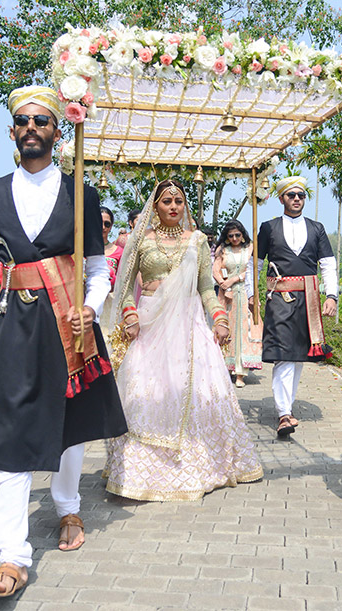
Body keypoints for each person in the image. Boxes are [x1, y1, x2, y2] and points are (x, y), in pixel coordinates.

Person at [0, 86, 127, 597]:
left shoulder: (82, 194)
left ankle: (68, 508)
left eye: (42, 121)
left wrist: (91, 305)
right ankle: (12, 556)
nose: (31, 128)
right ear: (12, 131)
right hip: (15, 325)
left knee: (71, 422)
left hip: (70, 322)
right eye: (23, 121)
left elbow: (97, 268)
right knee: (12, 433)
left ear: (56, 131)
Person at [103, 179, 263, 501]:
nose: (173, 206)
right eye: (167, 201)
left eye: (178, 201)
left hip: (189, 323)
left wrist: (219, 318)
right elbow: (125, 288)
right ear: (155, 206)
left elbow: (205, 287)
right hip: (150, 323)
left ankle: (199, 467)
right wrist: (131, 316)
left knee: (196, 392)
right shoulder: (140, 240)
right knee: (145, 392)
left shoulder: (197, 240)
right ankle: (138, 473)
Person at [257, 176, 338, 437]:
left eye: (301, 195)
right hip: (279, 298)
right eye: (291, 195)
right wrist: (250, 295)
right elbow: (255, 264)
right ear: (281, 198)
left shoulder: (317, 228)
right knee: (284, 353)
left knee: (298, 355)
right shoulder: (268, 228)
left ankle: (287, 407)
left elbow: (328, 264)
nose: (296, 199)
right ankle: (283, 413)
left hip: (309, 299)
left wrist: (332, 296)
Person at [212, 220, 262, 387]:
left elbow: (253, 270)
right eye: (231, 236)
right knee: (228, 330)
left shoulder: (250, 249)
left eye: (237, 235)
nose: (234, 238)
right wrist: (223, 283)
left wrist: (235, 279)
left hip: (246, 293)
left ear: (243, 235)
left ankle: (240, 373)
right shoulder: (223, 251)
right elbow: (215, 270)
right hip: (228, 296)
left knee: (244, 332)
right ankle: (226, 367)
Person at [101, 206, 123, 289]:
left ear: (111, 226)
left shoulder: (119, 252)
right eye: (99, 222)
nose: (103, 227)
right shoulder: (82, 250)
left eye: (107, 224)